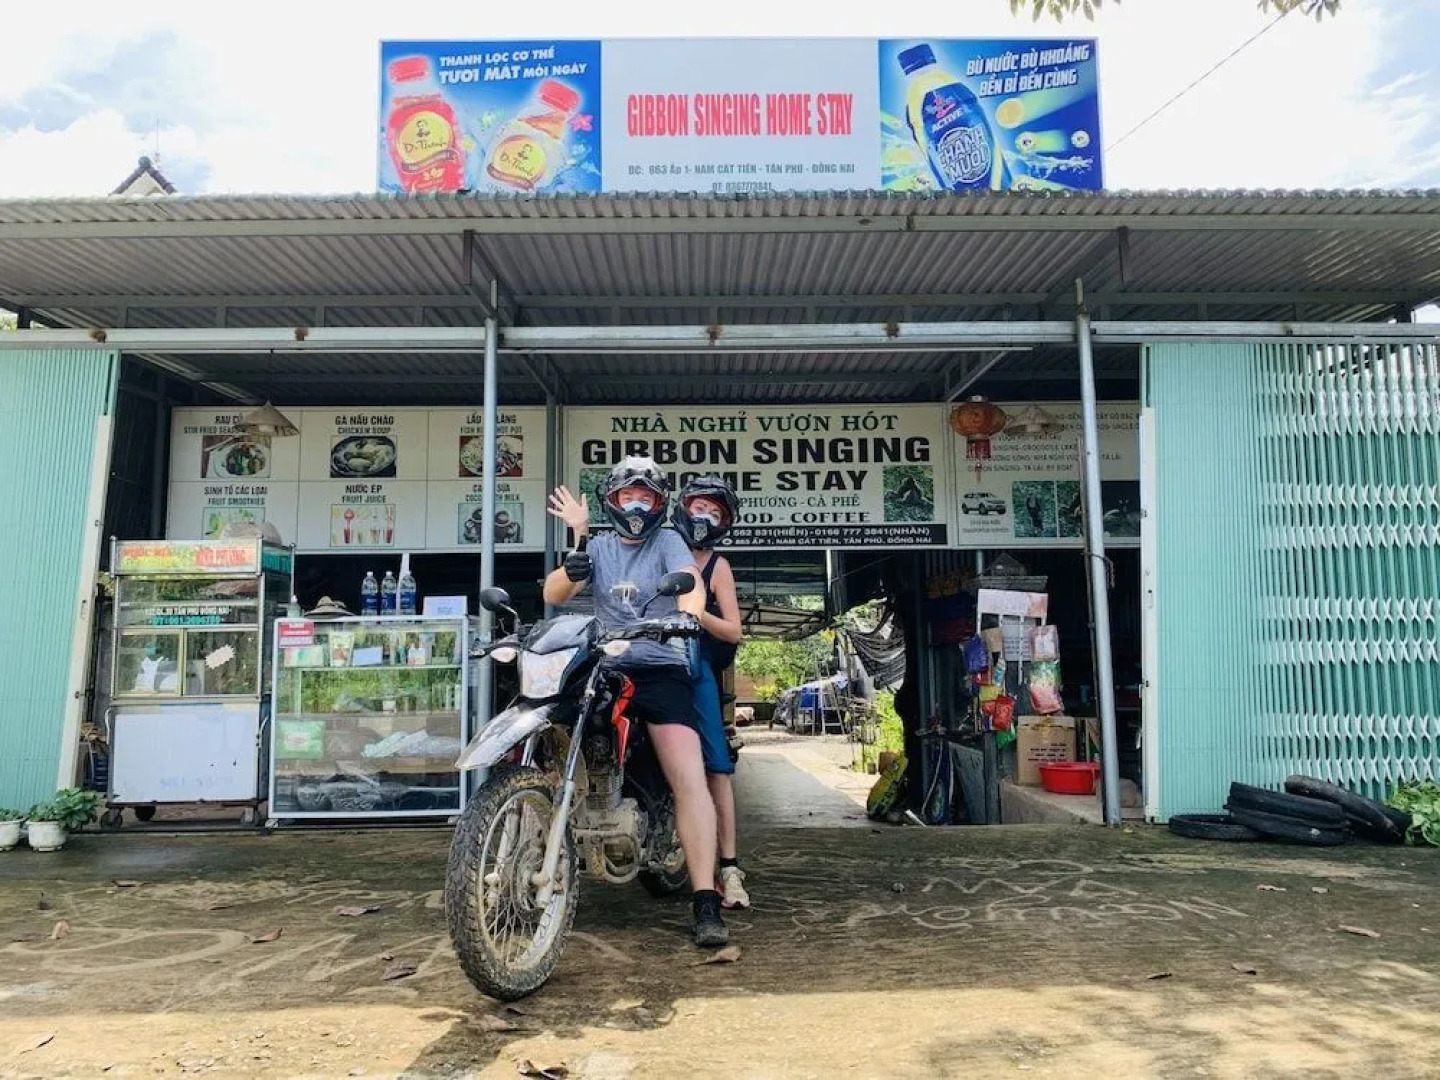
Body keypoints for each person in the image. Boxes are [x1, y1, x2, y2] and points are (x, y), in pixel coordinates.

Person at [542, 457, 729, 947]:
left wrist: (688, 615)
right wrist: (574, 555)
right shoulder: (599, 545)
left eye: (646, 496)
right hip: (606, 666)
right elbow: (556, 593)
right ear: (612, 500)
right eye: (628, 496)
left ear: (661, 502)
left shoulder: (667, 540)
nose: (637, 504)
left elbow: (689, 582)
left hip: (661, 667)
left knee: (689, 777)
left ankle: (706, 898)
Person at [671, 476, 750, 910]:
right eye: (698, 507)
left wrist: (696, 615)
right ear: (682, 508)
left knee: (717, 766)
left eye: (714, 513)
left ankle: (730, 867)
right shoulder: (661, 549)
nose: (703, 518)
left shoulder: (717, 565)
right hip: (648, 662)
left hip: (693, 668)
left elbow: (734, 631)